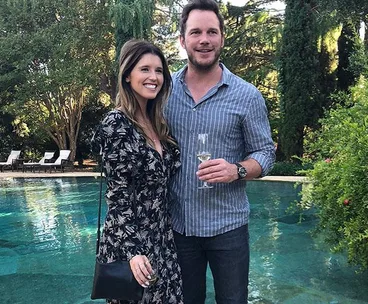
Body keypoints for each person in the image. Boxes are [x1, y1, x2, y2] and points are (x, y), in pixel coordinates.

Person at [164, 0, 276, 303]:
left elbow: (265, 153)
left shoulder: (247, 95)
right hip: (179, 227)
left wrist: (236, 170)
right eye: (196, 32)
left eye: (212, 32)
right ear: (182, 40)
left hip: (228, 228)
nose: (204, 40)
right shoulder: (164, 91)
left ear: (222, 38)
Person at [91, 39, 183, 304]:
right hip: (131, 245)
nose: (154, 77)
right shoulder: (116, 124)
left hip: (163, 240)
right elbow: (117, 197)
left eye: (159, 70)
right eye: (145, 69)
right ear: (128, 75)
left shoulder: (158, 124)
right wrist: (133, 252)